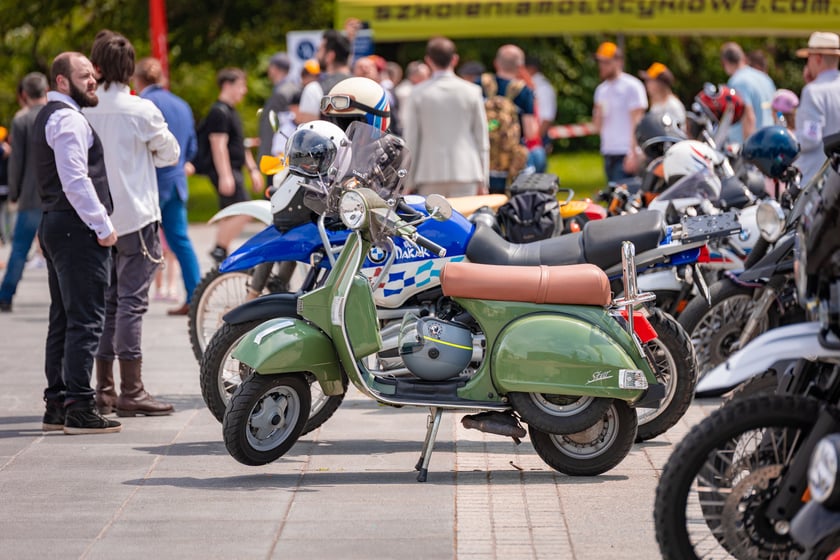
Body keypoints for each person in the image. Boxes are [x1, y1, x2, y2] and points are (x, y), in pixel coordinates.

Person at [84, 31, 180, 417]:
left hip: (94, 218)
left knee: (105, 304)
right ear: (130, 68)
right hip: (136, 217)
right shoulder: (141, 110)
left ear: (97, 65)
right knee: (130, 305)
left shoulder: (83, 109)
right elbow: (169, 154)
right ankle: (132, 389)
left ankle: (103, 389)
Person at [34, 51, 120, 434]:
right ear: (61, 81)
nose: (93, 80)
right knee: (85, 319)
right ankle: (80, 408)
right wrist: (102, 225)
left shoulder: (48, 116)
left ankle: (57, 403)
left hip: (57, 224)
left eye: (93, 74)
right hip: (76, 228)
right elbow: (75, 180)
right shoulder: (68, 119)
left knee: (64, 317)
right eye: (84, 75)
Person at [134, 56, 203, 316]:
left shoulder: (143, 105)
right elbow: (192, 147)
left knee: (139, 242)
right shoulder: (182, 105)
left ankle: (132, 298)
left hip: (150, 183)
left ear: (138, 80)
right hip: (176, 182)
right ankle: (195, 296)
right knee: (180, 241)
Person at [402, 36, 489, 197]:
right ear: (455, 59)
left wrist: (408, 181)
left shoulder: (417, 93)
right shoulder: (472, 91)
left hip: (429, 172)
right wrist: (483, 179)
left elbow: (412, 140)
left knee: (434, 222)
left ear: (428, 61)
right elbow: (481, 138)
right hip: (467, 171)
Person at [0, 73, 49, 312]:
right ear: (46, 90)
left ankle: (6, 295)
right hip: (56, 196)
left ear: (24, 95)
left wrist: (14, 192)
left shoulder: (21, 120)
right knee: (59, 252)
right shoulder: (58, 114)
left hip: (30, 195)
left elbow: (16, 161)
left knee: (19, 248)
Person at [205, 67, 264, 263]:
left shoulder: (231, 111)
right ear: (227, 85)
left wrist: (253, 170)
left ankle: (222, 251)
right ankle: (220, 249)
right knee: (245, 211)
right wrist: (225, 174)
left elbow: (240, 143)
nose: (244, 91)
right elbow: (218, 144)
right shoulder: (218, 112)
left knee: (232, 212)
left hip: (235, 169)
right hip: (227, 170)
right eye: (240, 86)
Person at [479, 44, 541, 193]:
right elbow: (531, 131)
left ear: (496, 62)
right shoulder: (524, 91)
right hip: (512, 164)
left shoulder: (479, 84)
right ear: (520, 67)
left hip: (482, 160)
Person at [593, 41, 648, 182]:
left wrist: (634, 152)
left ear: (618, 62)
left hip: (625, 151)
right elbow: (598, 126)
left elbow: (637, 121)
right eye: (600, 62)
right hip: (608, 150)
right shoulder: (601, 90)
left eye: (606, 62)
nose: (602, 66)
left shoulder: (632, 86)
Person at [795, 32, 840, 184]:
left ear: (818, 59)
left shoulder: (813, 92)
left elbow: (810, 138)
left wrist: (790, 142)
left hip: (819, 181)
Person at [720, 42, 776, 143]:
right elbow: (775, 111)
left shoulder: (737, 82)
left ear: (724, 62)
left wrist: (748, 151)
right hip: (769, 142)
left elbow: (748, 117)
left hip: (752, 147)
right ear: (743, 58)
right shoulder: (765, 78)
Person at [296, 30, 353, 124]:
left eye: (319, 50)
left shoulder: (314, 89)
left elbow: (308, 135)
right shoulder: (365, 85)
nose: (316, 55)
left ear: (330, 56)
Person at [257, 52, 300, 165]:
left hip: (277, 154)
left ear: (275, 68)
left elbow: (274, 124)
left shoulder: (282, 93)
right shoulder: (292, 88)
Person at [524, 56, 557, 154]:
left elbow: (546, 118)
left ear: (531, 69)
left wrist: (535, 141)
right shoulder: (532, 86)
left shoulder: (543, 88)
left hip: (537, 140)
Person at [638, 62, 686, 129]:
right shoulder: (657, 105)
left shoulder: (672, 106)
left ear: (660, 83)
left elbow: (675, 135)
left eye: (650, 80)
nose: (647, 84)